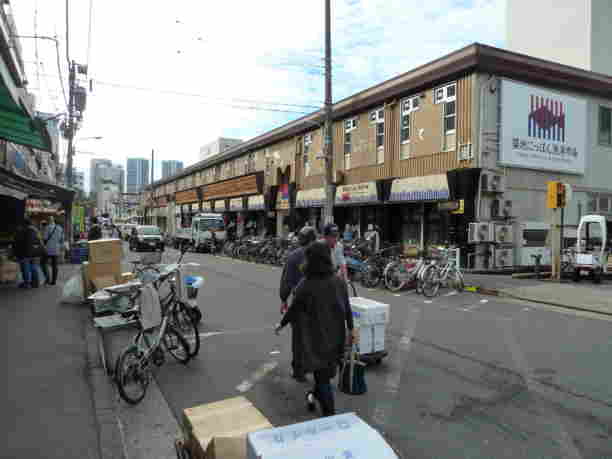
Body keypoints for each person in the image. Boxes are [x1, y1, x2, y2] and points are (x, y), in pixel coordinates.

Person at [275, 241, 357, 417]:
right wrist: (351, 330)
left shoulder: (306, 284)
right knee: (325, 374)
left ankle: (329, 416)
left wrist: (281, 324)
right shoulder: (339, 282)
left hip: (317, 338)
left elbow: (294, 309)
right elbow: (347, 308)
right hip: (337, 336)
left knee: (322, 377)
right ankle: (315, 395)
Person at [279, 225, 317, 382]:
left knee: (299, 338)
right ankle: (313, 366)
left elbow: (286, 282)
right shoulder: (321, 254)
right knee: (315, 336)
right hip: (319, 304)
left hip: (300, 303)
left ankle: (299, 370)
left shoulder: (294, 256)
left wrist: (283, 299)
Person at [14, 218, 43, 288]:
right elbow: (40, 241)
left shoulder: (23, 231)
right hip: (35, 252)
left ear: (24, 224)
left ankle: (27, 283)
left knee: (25, 268)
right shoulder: (36, 231)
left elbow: (19, 242)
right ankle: (35, 283)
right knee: (34, 267)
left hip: (26, 253)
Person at [41, 216, 64, 286]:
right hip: (56, 249)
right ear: (53, 220)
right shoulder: (60, 228)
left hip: (48, 249)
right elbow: (62, 239)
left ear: (48, 221)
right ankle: (53, 281)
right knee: (55, 265)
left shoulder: (47, 228)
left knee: (43, 263)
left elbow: (44, 238)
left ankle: (47, 278)